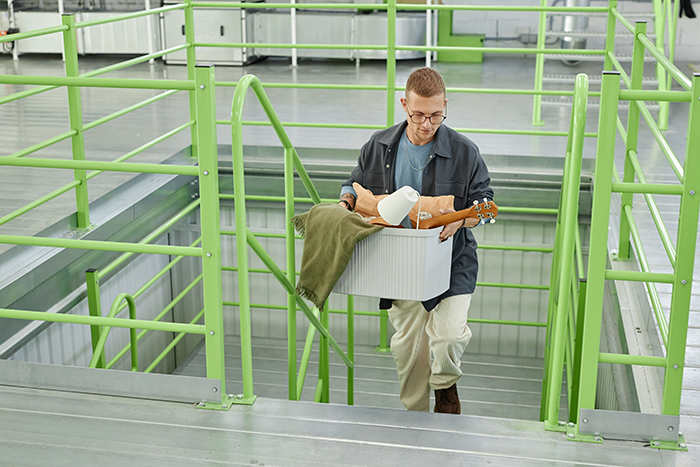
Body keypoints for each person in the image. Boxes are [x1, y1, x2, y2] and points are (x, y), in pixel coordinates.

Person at [338, 67, 494, 414]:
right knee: (409, 351)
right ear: (404, 104)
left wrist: (462, 220)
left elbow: (485, 206)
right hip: (401, 264)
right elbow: (352, 186)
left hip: (452, 260)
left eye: (436, 115)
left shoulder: (466, 152)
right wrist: (343, 205)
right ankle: (415, 419)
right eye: (419, 114)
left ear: (445, 106)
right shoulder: (378, 145)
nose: (427, 124)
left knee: (449, 335)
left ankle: (445, 387)